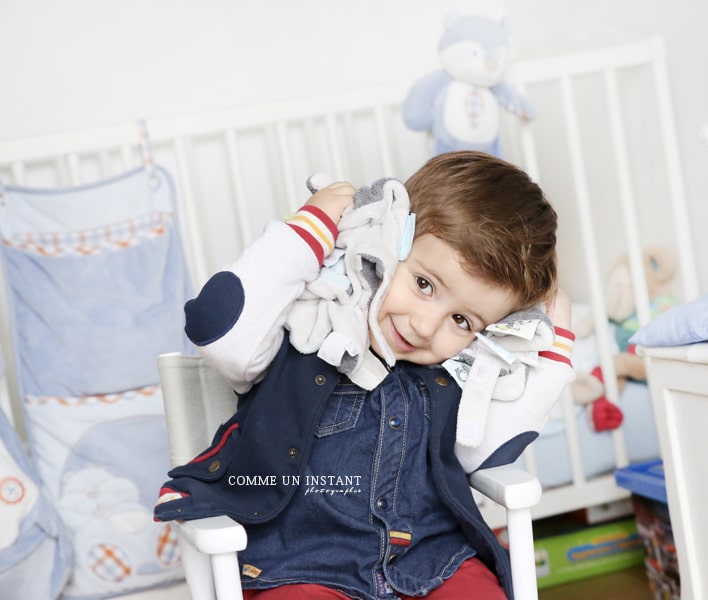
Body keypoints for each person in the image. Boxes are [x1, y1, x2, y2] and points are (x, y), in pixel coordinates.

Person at [154, 151, 575, 599]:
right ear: (388, 235)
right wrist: (309, 231)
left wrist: (555, 352)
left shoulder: (453, 376)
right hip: (301, 567)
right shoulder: (305, 333)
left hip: (430, 561)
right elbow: (217, 328)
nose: (425, 326)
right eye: (424, 284)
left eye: (462, 321)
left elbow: (484, 454)